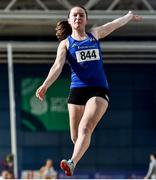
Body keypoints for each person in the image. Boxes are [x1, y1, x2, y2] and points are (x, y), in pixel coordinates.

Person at [36, 6, 142, 176]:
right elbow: (57, 66)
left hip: (98, 89)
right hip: (77, 90)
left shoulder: (94, 34)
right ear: (70, 20)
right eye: (74, 15)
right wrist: (45, 85)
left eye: (81, 15)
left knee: (86, 127)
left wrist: (128, 16)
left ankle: (71, 162)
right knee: (75, 137)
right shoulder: (66, 44)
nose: (78, 17)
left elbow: (113, 24)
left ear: (86, 19)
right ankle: (77, 156)